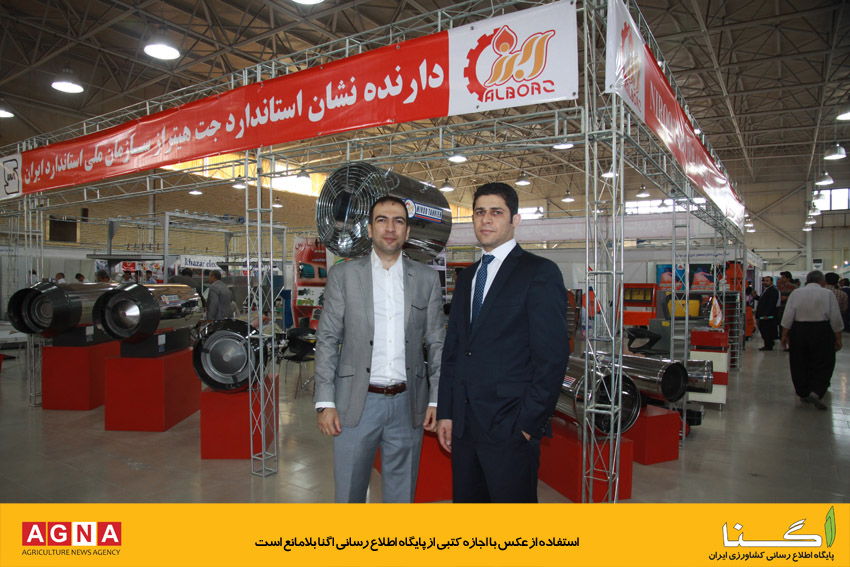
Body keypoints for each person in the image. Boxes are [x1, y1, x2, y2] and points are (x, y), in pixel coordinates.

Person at [436, 182, 570, 503]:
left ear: (515, 220)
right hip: (465, 428)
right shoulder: (467, 278)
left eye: (496, 212)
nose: (486, 219)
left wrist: (527, 425)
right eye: (479, 212)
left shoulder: (539, 273)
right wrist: (447, 413)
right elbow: (454, 352)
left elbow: (552, 358)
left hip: (510, 428)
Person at [313, 195, 444, 503]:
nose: (390, 228)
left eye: (398, 221)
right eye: (382, 220)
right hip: (355, 403)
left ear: (407, 232)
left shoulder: (426, 279)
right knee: (349, 494)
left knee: (402, 497)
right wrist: (325, 401)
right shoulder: (344, 276)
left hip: (408, 404)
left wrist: (437, 399)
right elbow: (328, 338)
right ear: (370, 229)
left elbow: (438, 342)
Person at [780, 270, 843, 410]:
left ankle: (803, 391)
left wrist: (784, 334)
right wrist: (838, 337)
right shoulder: (828, 294)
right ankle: (817, 391)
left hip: (799, 330)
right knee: (824, 361)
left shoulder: (796, 293)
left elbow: (788, 315)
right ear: (822, 281)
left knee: (799, 361)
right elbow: (835, 317)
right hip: (822, 330)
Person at [755, 276, 780, 351]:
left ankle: (768, 345)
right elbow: (763, 301)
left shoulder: (773, 291)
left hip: (767, 316)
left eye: (767, 281)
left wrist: (766, 314)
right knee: (764, 329)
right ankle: (768, 343)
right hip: (763, 314)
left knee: (766, 330)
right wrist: (755, 296)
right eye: (764, 281)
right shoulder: (766, 290)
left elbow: (771, 304)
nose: (765, 282)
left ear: (771, 281)